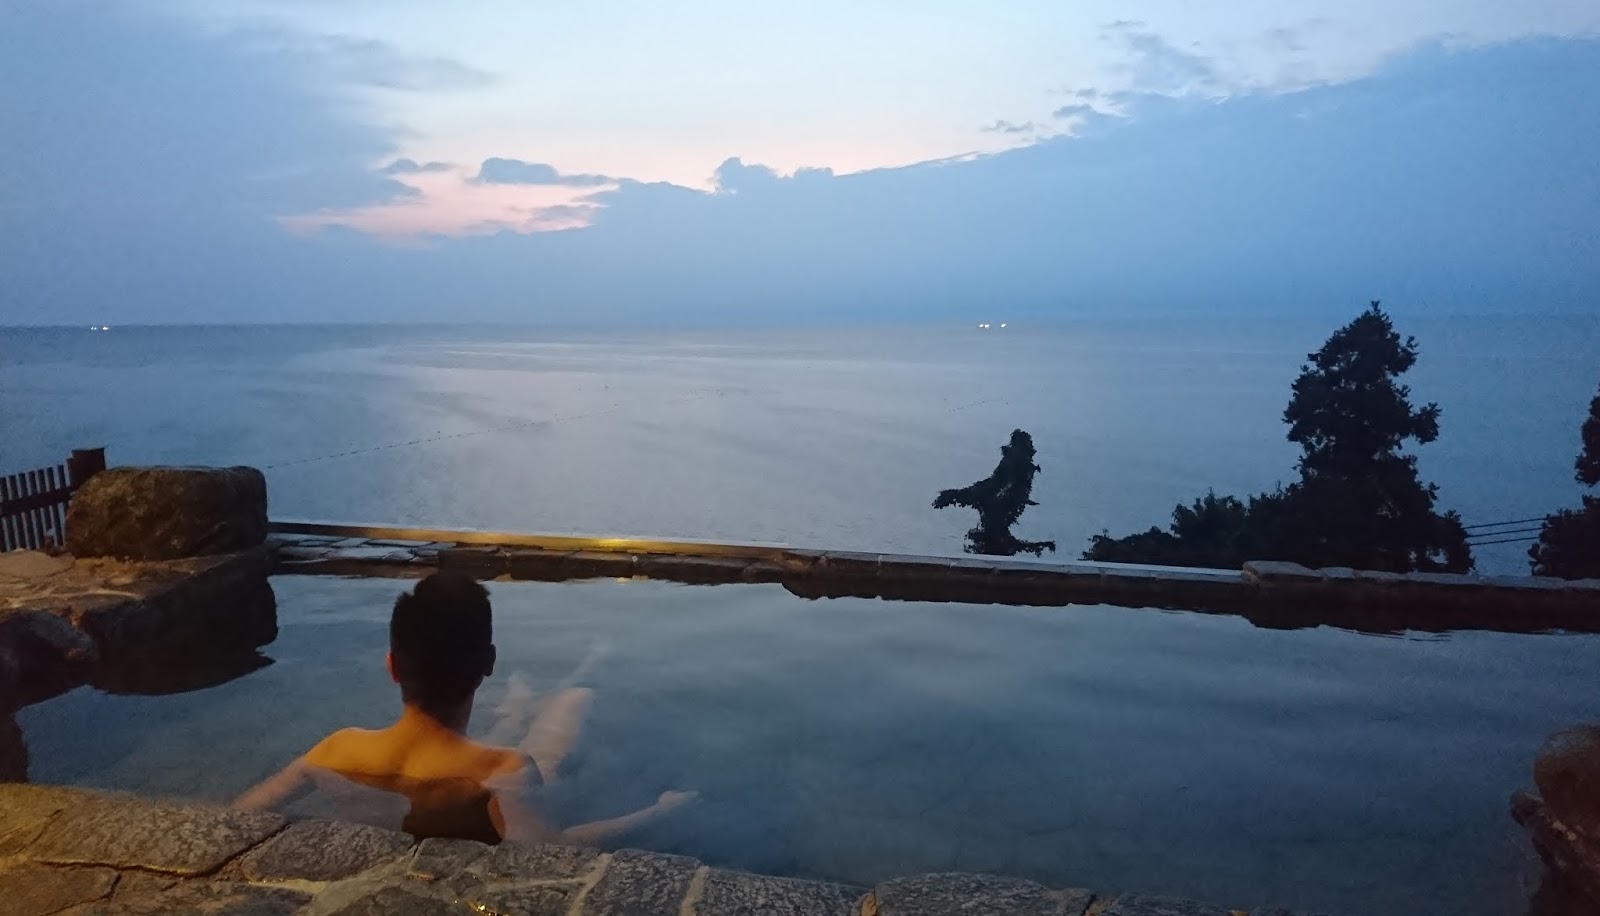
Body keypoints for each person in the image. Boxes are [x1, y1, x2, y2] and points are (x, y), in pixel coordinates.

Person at [235, 571, 693, 845]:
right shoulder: (504, 771)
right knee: (573, 708)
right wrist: (662, 811)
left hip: (439, 760)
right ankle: (555, 686)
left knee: (550, 716)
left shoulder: (339, 748)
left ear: (392, 666)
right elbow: (550, 848)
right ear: (488, 664)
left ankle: (521, 705)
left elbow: (243, 813)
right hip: (487, 771)